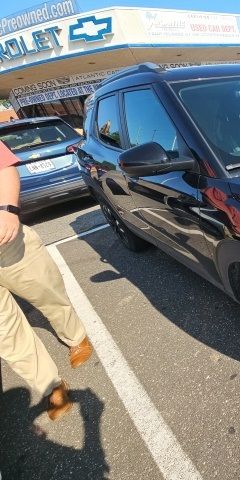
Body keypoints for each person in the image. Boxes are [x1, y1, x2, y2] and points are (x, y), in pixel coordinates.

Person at [0, 140, 93, 421]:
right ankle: (51, 386)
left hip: (6, 240)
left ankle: (76, 336)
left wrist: (7, 210)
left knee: (45, 291)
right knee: (5, 335)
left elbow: (4, 167)